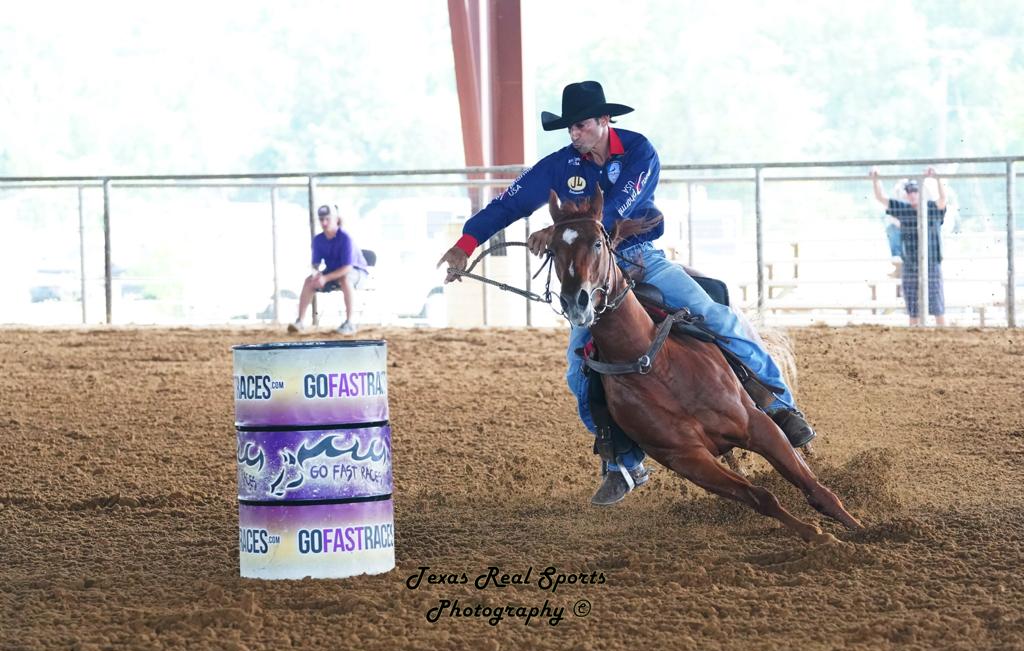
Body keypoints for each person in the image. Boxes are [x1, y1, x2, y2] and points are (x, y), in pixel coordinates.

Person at [437, 81, 816, 506]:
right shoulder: (560, 165)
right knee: (578, 370)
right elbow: (509, 204)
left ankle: (782, 408)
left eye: (580, 126)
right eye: (569, 128)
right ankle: (623, 459)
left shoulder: (638, 152)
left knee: (716, 316)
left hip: (638, 257)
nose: (573, 134)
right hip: (592, 276)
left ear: (603, 121)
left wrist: (561, 228)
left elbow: (618, 207)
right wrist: (466, 244)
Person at [870, 167, 947, 326]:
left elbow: (942, 199)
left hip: (931, 261)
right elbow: (880, 197)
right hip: (911, 262)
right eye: (909, 191)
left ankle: (943, 332)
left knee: (936, 301)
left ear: (920, 192)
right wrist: (876, 180)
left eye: (915, 191)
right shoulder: (904, 209)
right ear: (906, 194)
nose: (912, 194)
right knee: (913, 304)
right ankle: (915, 336)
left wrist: (938, 178)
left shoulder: (931, 208)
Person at [288, 204, 369, 335]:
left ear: (336, 219)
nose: (324, 223)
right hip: (333, 273)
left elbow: (347, 267)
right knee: (309, 281)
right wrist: (316, 275)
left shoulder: (345, 238)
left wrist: (325, 278)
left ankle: (349, 323)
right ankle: (300, 322)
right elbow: (315, 264)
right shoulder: (318, 240)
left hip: (357, 273)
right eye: (321, 219)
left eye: (327, 219)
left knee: (345, 279)